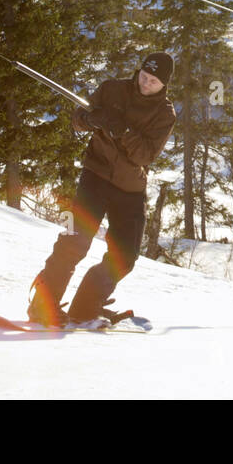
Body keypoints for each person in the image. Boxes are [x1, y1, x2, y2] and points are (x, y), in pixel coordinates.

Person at [27, 52, 178, 325]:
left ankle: (85, 307)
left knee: (125, 257)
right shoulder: (112, 89)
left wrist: (123, 131)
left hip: (129, 188)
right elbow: (78, 118)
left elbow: (145, 155)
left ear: (164, 85)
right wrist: (92, 120)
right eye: (144, 76)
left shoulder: (164, 114)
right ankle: (42, 304)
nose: (145, 84)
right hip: (95, 176)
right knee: (76, 240)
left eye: (153, 81)